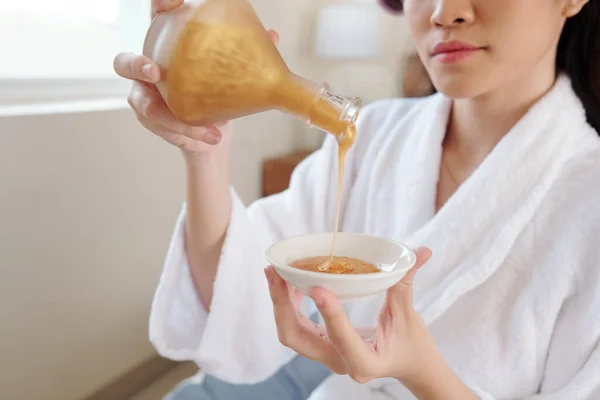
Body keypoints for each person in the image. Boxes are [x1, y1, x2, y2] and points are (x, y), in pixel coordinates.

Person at [114, 0, 600, 398]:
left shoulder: (587, 195)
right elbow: (235, 290)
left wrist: (423, 373)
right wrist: (205, 151)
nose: (444, 11)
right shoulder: (373, 135)